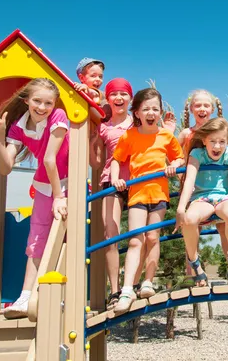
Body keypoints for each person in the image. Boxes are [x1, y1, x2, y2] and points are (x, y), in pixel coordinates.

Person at [0, 78, 69, 318]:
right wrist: (0, 136)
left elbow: (49, 159)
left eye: (48, 102)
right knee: (36, 240)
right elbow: (5, 168)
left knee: (66, 237)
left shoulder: (57, 116)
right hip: (47, 183)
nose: (42, 107)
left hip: (69, 181)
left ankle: (61, 296)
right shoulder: (18, 126)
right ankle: (26, 296)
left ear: (55, 103)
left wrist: (59, 197)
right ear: (26, 100)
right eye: (37, 101)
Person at [110, 88, 184, 314]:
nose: (151, 113)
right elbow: (116, 159)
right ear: (137, 112)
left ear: (160, 112)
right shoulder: (130, 135)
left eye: (155, 109)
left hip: (159, 193)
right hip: (137, 194)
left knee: (153, 237)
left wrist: (174, 165)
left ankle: (148, 282)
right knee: (135, 240)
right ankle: (126, 289)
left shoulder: (166, 135)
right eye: (146, 109)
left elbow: (179, 157)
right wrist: (115, 178)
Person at [175, 118, 228, 286]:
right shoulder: (197, 154)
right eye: (213, 141)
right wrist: (181, 208)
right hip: (202, 198)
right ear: (204, 140)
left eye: (222, 141)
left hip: (225, 197)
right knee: (189, 219)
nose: (217, 146)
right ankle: (195, 263)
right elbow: (189, 181)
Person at [89, 78, 134, 310]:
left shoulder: (137, 123)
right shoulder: (103, 126)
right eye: (114, 94)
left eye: (123, 94)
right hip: (110, 179)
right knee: (110, 233)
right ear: (108, 98)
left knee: (140, 235)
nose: (119, 98)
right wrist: (92, 142)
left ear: (130, 98)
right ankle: (115, 289)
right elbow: (96, 162)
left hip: (137, 179)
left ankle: (131, 285)